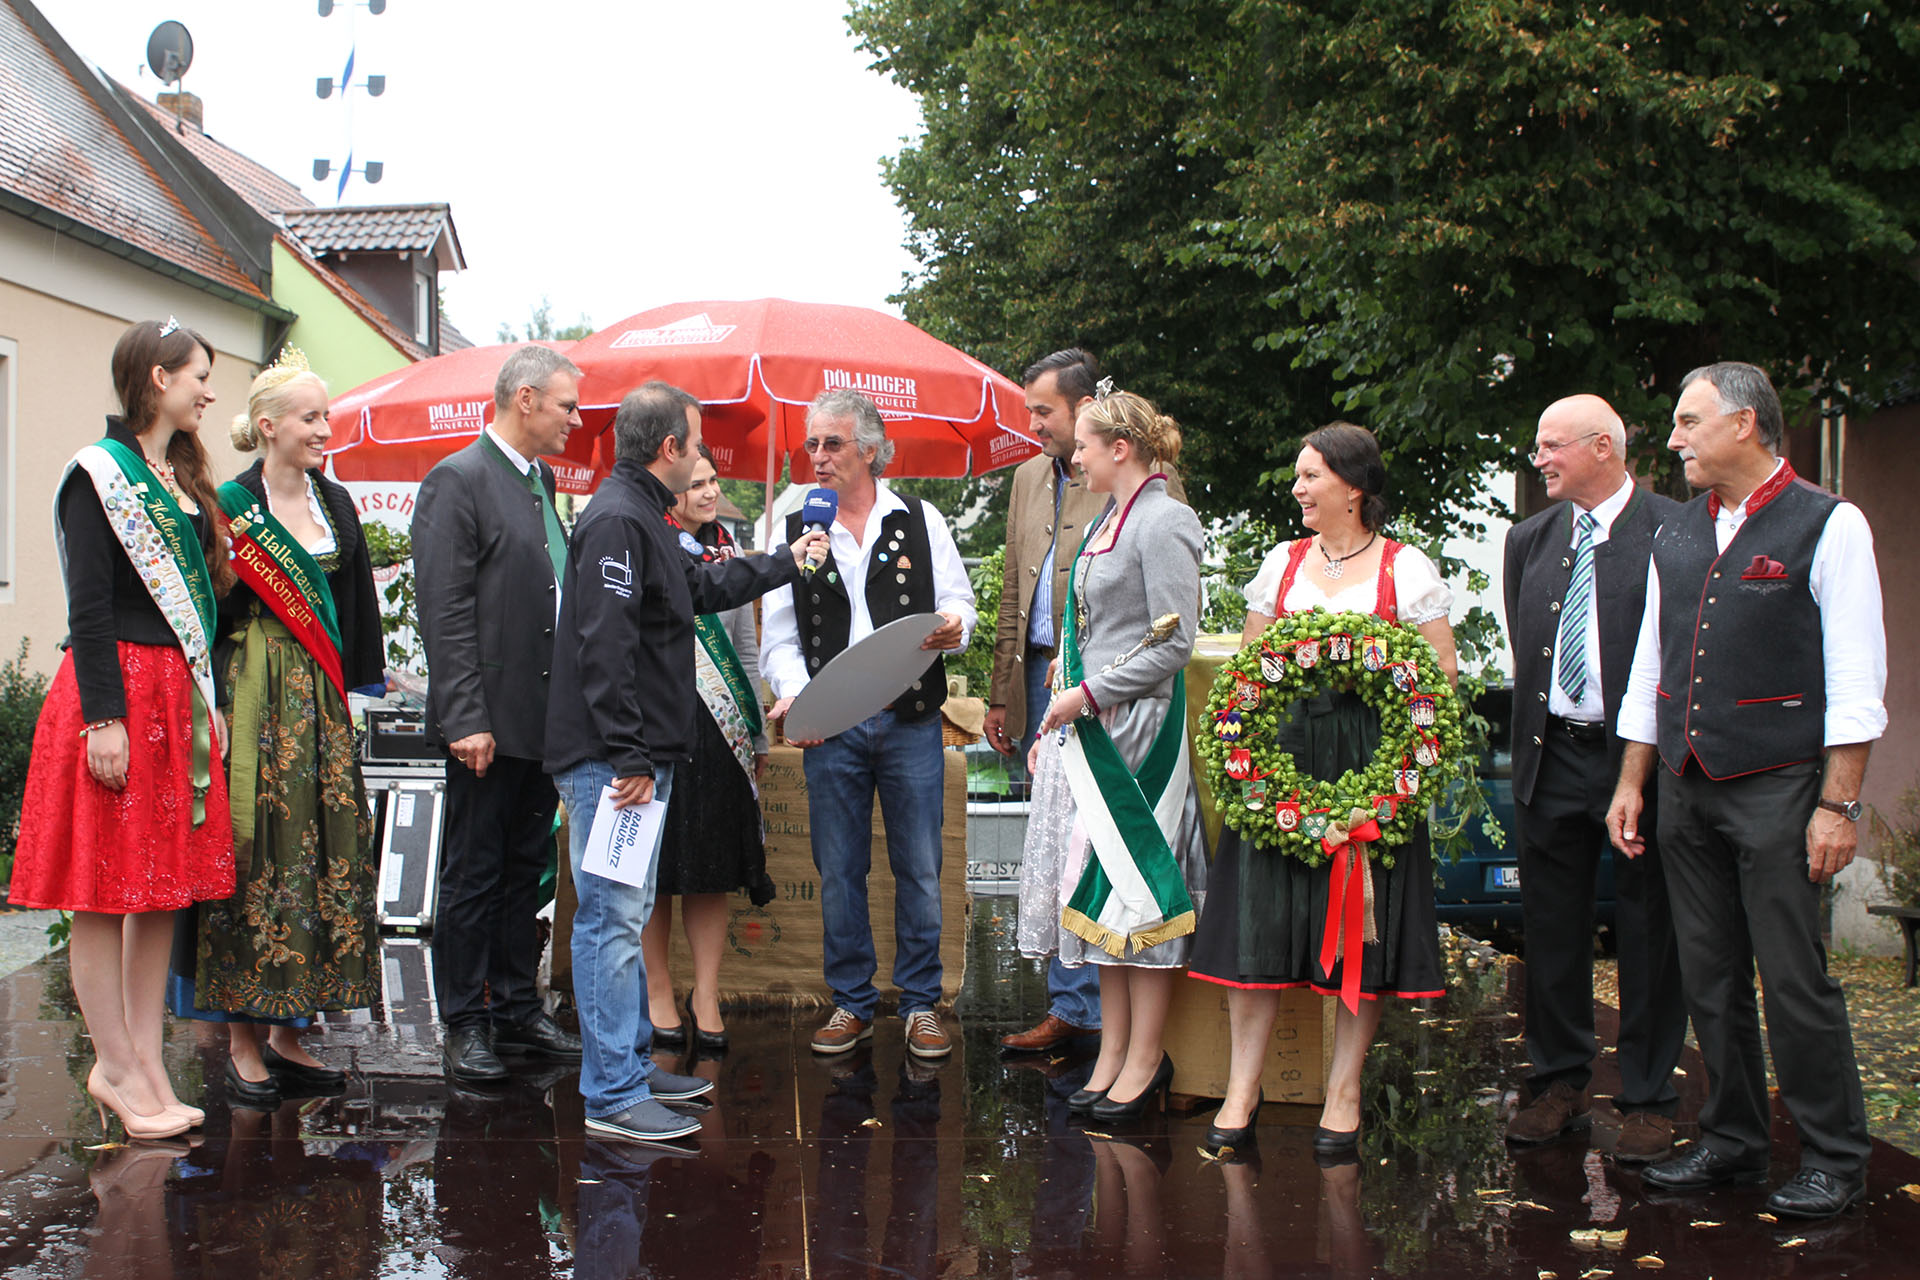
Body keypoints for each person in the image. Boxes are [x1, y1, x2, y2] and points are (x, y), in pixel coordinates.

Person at [1608, 362, 1886, 1220]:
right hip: (1687, 784)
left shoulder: (1829, 524)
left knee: (1795, 978)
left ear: (1746, 425)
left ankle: (1835, 1158)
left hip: (1780, 786)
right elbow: (1651, 664)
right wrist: (1632, 781)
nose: (1676, 439)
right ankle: (1732, 1140)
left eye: (1690, 422)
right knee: (1710, 973)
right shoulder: (1680, 532)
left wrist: (1837, 807)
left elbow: (1856, 677)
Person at [546, 382, 826, 1144]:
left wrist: (782, 563)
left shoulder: (641, 516)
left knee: (625, 914)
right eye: (697, 446)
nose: (702, 457)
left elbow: (698, 589)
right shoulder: (615, 519)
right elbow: (602, 648)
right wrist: (629, 753)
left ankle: (630, 1071)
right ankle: (611, 1095)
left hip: (630, 757)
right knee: (609, 921)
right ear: (669, 448)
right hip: (615, 763)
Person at [1188, 421, 1458, 1155]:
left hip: (1370, 763)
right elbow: (1245, 677)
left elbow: (1440, 683)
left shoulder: (1407, 570)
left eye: (1310, 476)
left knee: (1361, 924)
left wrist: (1395, 780)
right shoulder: (1281, 562)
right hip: (1280, 758)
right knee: (1259, 921)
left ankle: (1343, 1092)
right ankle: (1244, 1089)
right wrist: (1251, 765)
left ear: (1354, 487)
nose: (1298, 488)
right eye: (1299, 476)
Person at [9, 317, 237, 1139]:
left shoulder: (174, 477)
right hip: (117, 697)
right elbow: (91, 605)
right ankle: (111, 1063)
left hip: (174, 699)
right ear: (156, 379)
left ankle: (146, 1063)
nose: (209, 390)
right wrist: (104, 717)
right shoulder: (98, 477)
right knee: (106, 892)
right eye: (198, 375)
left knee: (160, 891)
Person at [166, 352, 385, 1109]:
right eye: (311, 418)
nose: (326, 429)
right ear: (268, 427)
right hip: (251, 690)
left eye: (325, 416)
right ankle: (240, 1037)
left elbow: (354, 614)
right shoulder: (226, 507)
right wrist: (210, 705)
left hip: (320, 703)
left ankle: (293, 1028)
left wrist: (354, 695)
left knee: (320, 851)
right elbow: (201, 606)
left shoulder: (337, 504)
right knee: (254, 855)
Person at [762, 389, 977, 1061]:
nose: (818, 458)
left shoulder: (919, 517)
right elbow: (777, 638)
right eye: (812, 445)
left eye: (832, 444)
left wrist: (954, 628)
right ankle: (850, 1002)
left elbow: (959, 603)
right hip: (834, 725)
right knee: (840, 867)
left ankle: (920, 1004)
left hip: (911, 717)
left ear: (872, 451)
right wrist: (803, 699)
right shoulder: (790, 522)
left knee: (919, 865)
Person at [1501, 395, 1686, 1162]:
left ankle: (1647, 1096)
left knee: (1647, 926)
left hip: (1635, 760)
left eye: (1553, 446)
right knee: (1549, 927)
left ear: (1604, 447)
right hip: (1551, 758)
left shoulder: (1672, 531)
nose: (1539, 459)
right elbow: (1528, 647)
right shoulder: (1528, 539)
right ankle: (1561, 1081)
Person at [1015, 389, 1208, 1121]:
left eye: (1087, 445)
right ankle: (1116, 1053)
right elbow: (1089, 629)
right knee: (1102, 901)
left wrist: (1087, 694)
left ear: (1120, 448)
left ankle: (1145, 1058)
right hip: (1094, 729)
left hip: (1137, 734)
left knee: (1138, 896)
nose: (1076, 454)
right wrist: (1059, 714)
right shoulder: (1108, 517)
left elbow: (1173, 641)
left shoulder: (1165, 521)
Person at [413, 344, 585, 1086]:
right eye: (566, 406)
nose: (575, 420)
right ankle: (466, 1019)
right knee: (474, 873)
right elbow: (444, 610)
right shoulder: (459, 481)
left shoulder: (539, 482)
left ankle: (517, 1006)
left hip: (540, 721)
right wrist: (463, 717)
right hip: (485, 723)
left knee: (526, 869)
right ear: (525, 399)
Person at [642, 444, 774, 1052]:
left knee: (712, 869)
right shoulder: (648, 546)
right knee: (659, 871)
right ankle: (659, 991)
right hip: (662, 725)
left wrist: (758, 732)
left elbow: (745, 655)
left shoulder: (732, 559)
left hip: (721, 736)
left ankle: (707, 993)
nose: (708, 491)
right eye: (695, 482)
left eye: (714, 480)